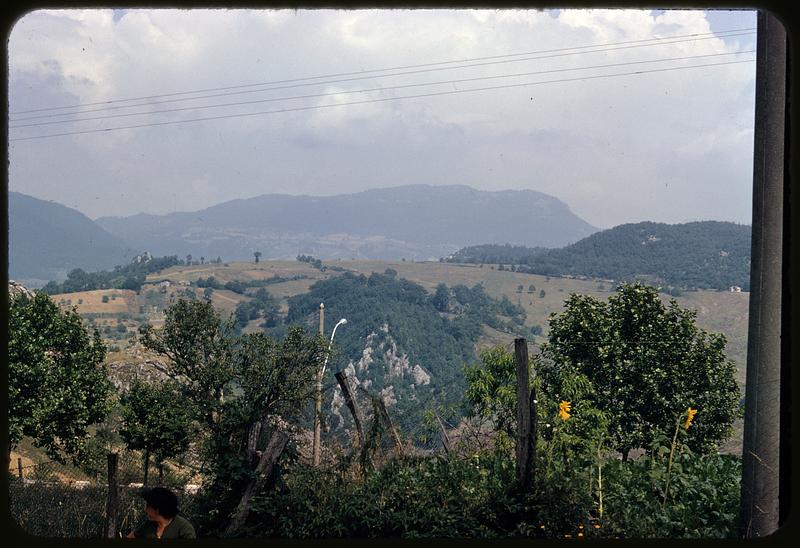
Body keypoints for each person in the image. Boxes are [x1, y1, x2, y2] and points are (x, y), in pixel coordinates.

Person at [127, 487, 196, 539]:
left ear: (157, 510)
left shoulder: (184, 529)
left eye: (148, 506)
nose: (145, 510)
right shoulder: (148, 525)